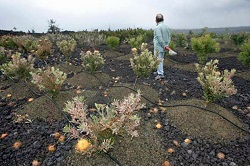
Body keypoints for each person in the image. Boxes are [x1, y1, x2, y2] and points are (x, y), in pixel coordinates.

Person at [153, 14, 171, 80]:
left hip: (158, 47)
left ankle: (160, 74)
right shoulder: (166, 26)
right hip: (164, 46)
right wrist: (167, 45)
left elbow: (159, 38)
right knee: (160, 59)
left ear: (156, 20)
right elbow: (169, 36)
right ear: (163, 19)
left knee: (159, 59)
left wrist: (164, 46)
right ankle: (158, 71)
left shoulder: (157, 28)